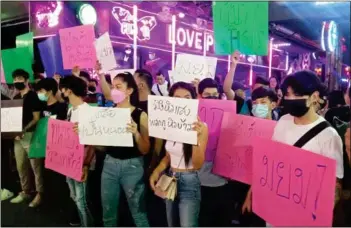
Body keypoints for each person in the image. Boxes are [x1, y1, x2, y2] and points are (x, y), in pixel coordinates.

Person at [242, 70, 344, 226]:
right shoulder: (283, 121)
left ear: (314, 97)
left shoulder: (329, 136)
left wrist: (319, 217)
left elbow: (334, 186)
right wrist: (252, 191)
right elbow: (269, 162)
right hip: (274, 211)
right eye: (286, 95)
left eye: (293, 95)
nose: (288, 99)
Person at [88, 72, 150, 227]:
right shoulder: (108, 114)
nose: (113, 90)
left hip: (133, 167)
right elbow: (103, 147)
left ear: (129, 91)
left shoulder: (140, 115)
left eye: (118, 87)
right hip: (109, 165)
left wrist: (135, 132)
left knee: (138, 213)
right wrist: (88, 136)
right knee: (108, 213)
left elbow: (145, 149)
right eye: (112, 87)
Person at [150, 82, 208, 227]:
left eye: (187, 97)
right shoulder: (169, 124)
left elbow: (198, 164)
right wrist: (156, 171)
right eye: (177, 97)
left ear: (194, 100)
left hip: (189, 181)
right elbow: (169, 155)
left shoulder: (202, 127)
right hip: (170, 178)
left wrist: (195, 138)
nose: (182, 101)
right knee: (171, 223)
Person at [60, 75, 95, 227]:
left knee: (81, 200)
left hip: (81, 161)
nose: (61, 91)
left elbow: (93, 142)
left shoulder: (87, 111)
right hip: (69, 159)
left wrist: (85, 163)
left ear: (68, 91)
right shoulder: (70, 110)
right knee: (74, 196)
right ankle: (84, 222)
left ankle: (88, 224)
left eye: (63, 88)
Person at [197, 78, 232, 227]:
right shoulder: (192, 116)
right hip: (199, 182)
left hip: (222, 182)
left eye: (215, 95)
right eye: (207, 95)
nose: (212, 98)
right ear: (199, 96)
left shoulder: (227, 113)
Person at [10, 69, 44, 208]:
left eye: (19, 78)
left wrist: (24, 129)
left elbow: (37, 118)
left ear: (26, 80)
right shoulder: (16, 97)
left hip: (30, 136)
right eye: (15, 79)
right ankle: (26, 191)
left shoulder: (33, 96)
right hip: (17, 137)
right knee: (21, 166)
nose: (17, 81)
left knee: (36, 167)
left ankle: (40, 193)